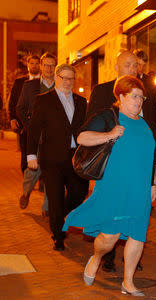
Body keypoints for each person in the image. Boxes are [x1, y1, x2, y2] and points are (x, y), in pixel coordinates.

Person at [63, 75, 156, 297]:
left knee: (138, 235)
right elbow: (82, 137)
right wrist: (109, 135)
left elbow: (153, 155)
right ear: (121, 96)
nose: (139, 101)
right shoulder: (109, 117)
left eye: (141, 97)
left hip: (140, 189)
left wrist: (153, 183)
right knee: (109, 238)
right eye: (134, 96)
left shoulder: (144, 124)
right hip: (114, 187)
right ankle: (96, 258)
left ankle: (128, 282)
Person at [86, 50, 152, 273]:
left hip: (138, 169)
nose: (133, 69)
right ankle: (106, 257)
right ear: (116, 67)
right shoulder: (102, 92)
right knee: (111, 225)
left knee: (135, 221)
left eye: (136, 65)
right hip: (112, 168)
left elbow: (151, 135)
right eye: (128, 65)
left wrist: (153, 178)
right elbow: (89, 130)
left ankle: (131, 265)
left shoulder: (145, 93)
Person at [27, 64, 89, 251]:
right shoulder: (43, 100)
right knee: (54, 198)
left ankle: (60, 215)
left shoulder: (81, 101)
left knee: (79, 192)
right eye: (65, 78)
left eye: (71, 78)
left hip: (75, 157)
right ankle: (58, 236)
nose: (68, 82)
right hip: (52, 159)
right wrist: (31, 155)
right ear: (56, 77)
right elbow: (34, 129)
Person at [16, 52, 56, 215]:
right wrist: (30, 126)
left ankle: (47, 208)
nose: (48, 68)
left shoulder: (60, 86)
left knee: (52, 173)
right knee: (33, 171)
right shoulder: (29, 86)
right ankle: (26, 192)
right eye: (45, 65)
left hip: (54, 138)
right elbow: (20, 108)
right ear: (40, 66)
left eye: (52, 65)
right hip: (36, 138)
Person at [8, 54, 40, 172]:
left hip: (40, 123)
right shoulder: (19, 82)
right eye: (32, 63)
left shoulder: (44, 82)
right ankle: (27, 180)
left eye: (37, 63)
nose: (34, 66)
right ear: (28, 65)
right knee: (26, 152)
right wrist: (12, 118)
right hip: (24, 123)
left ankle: (42, 181)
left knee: (41, 153)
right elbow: (13, 102)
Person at [133, 49, 156, 143]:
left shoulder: (149, 81)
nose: (141, 68)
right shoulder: (128, 80)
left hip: (148, 124)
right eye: (138, 64)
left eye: (143, 65)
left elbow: (154, 104)